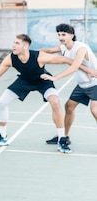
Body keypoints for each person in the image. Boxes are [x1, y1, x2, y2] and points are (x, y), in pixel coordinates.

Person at [0, 33, 73, 153]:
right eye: (13, 42)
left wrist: (88, 69)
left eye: (17, 43)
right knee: (1, 103)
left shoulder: (39, 56)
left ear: (25, 46)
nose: (13, 45)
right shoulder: (10, 58)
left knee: (55, 101)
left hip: (43, 80)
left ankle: (62, 139)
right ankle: (2, 137)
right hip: (24, 81)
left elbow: (65, 59)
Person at [39, 23, 97, 152]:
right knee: (69, 106)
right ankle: (64, 136)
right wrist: (27, 52)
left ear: (71, 35)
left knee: (94, 109)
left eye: (63, 34)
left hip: (95, 83)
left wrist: (55, 78)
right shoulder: (63, 47)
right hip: (83, 85)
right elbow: (48, 50)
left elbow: (74, 66)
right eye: (59, 34)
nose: (61, 37)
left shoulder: (81, 48)